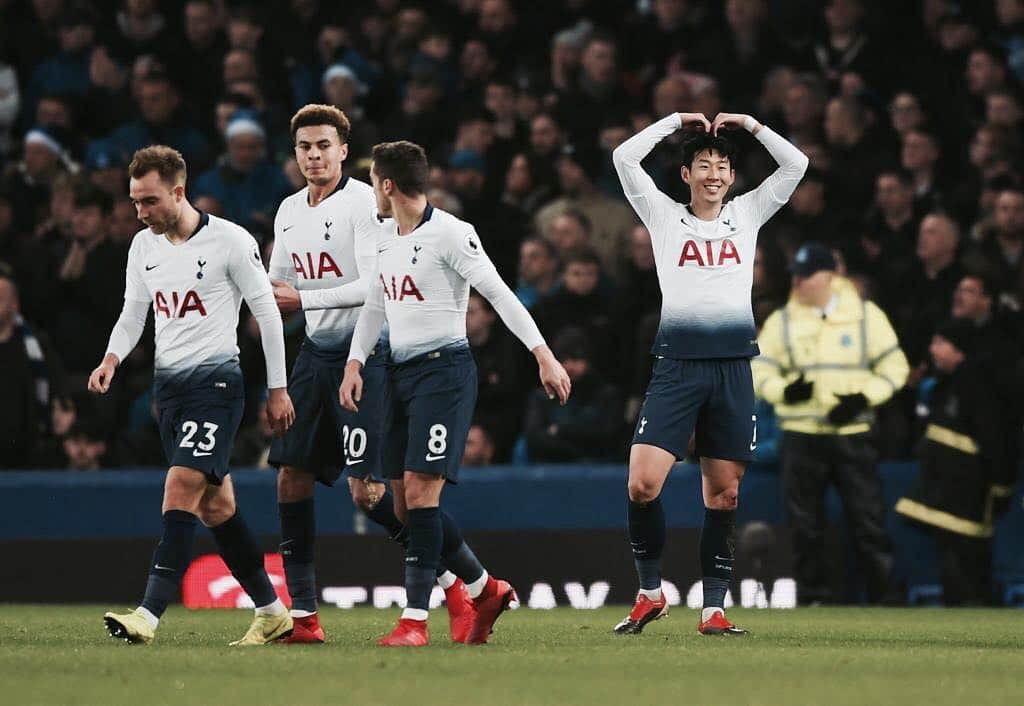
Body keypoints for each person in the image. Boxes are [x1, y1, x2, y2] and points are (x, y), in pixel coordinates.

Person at [340, 140, 571, 647]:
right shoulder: (382, 235)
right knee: (403, 506)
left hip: (443, 374)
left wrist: (543, 355)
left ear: (387, 184)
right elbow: (377, 303)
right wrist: (356, 361)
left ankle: (415, 621)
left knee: (422, 494)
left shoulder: (452, 234)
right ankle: (486, 588)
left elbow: (500, 295)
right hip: (398, 373)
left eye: (373, 181)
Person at [266, 104, 474, 644]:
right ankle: (305, 617)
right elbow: (279, 283)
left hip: (369, 354)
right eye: (304, 147)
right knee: (290, 478)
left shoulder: (364, 204)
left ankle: (464, 579)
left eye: (323, 146)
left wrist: (303, 296)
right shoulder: (288, 211)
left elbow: (374, 287)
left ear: (342, 149)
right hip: (314, 355)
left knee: (369, 492)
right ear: (296, 154)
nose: (314, 155)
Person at [89, 145, 296, 646]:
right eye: (136, 202)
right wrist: (111, 358)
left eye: (150, 201)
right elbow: (133, 312)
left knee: (181, 483)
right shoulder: (144, 247)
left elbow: (266, 313)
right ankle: (272, 612)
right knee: (216, 507)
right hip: (172, 393)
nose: (141, 213)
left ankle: (148, 614)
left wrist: (277, 387)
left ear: (178, 192)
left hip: (217, 386)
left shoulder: (230, 241)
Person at [611, 110, 808, 636]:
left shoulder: (747, 214)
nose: (714, 173)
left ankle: (713, 610)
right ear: (686, 174)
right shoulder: (661, 216)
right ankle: (650, 593)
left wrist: (754, 126)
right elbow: (623, 158)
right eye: (703, 164)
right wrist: (673, 120)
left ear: (732, 176)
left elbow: (797, 164)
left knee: (723, 495)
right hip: (675, 366)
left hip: (732, 368)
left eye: (722, 164)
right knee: (642, 484)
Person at [753, 242, 909, 605]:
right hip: (801, 435)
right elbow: (758, 369)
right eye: (796, 274)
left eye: (806, 275)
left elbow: (895, 368)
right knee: (805, 526)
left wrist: (862, 399)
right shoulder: (783, 321)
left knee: (868, 520)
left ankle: (885, 598)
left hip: (852, 434)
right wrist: (783, 391)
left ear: (829, 276)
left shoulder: (867, 317)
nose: (799, 281)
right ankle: (813, 597)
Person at [895, 319, 1015, 605]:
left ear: (959, 349)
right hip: (948, 495)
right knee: (953, 566)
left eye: (940, 343)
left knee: (968, 570)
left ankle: (978, 624)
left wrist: (1001, 486)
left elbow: (996, 438)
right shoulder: (948, 384)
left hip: (967, 495)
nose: (932, 350)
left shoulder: (977, 382)